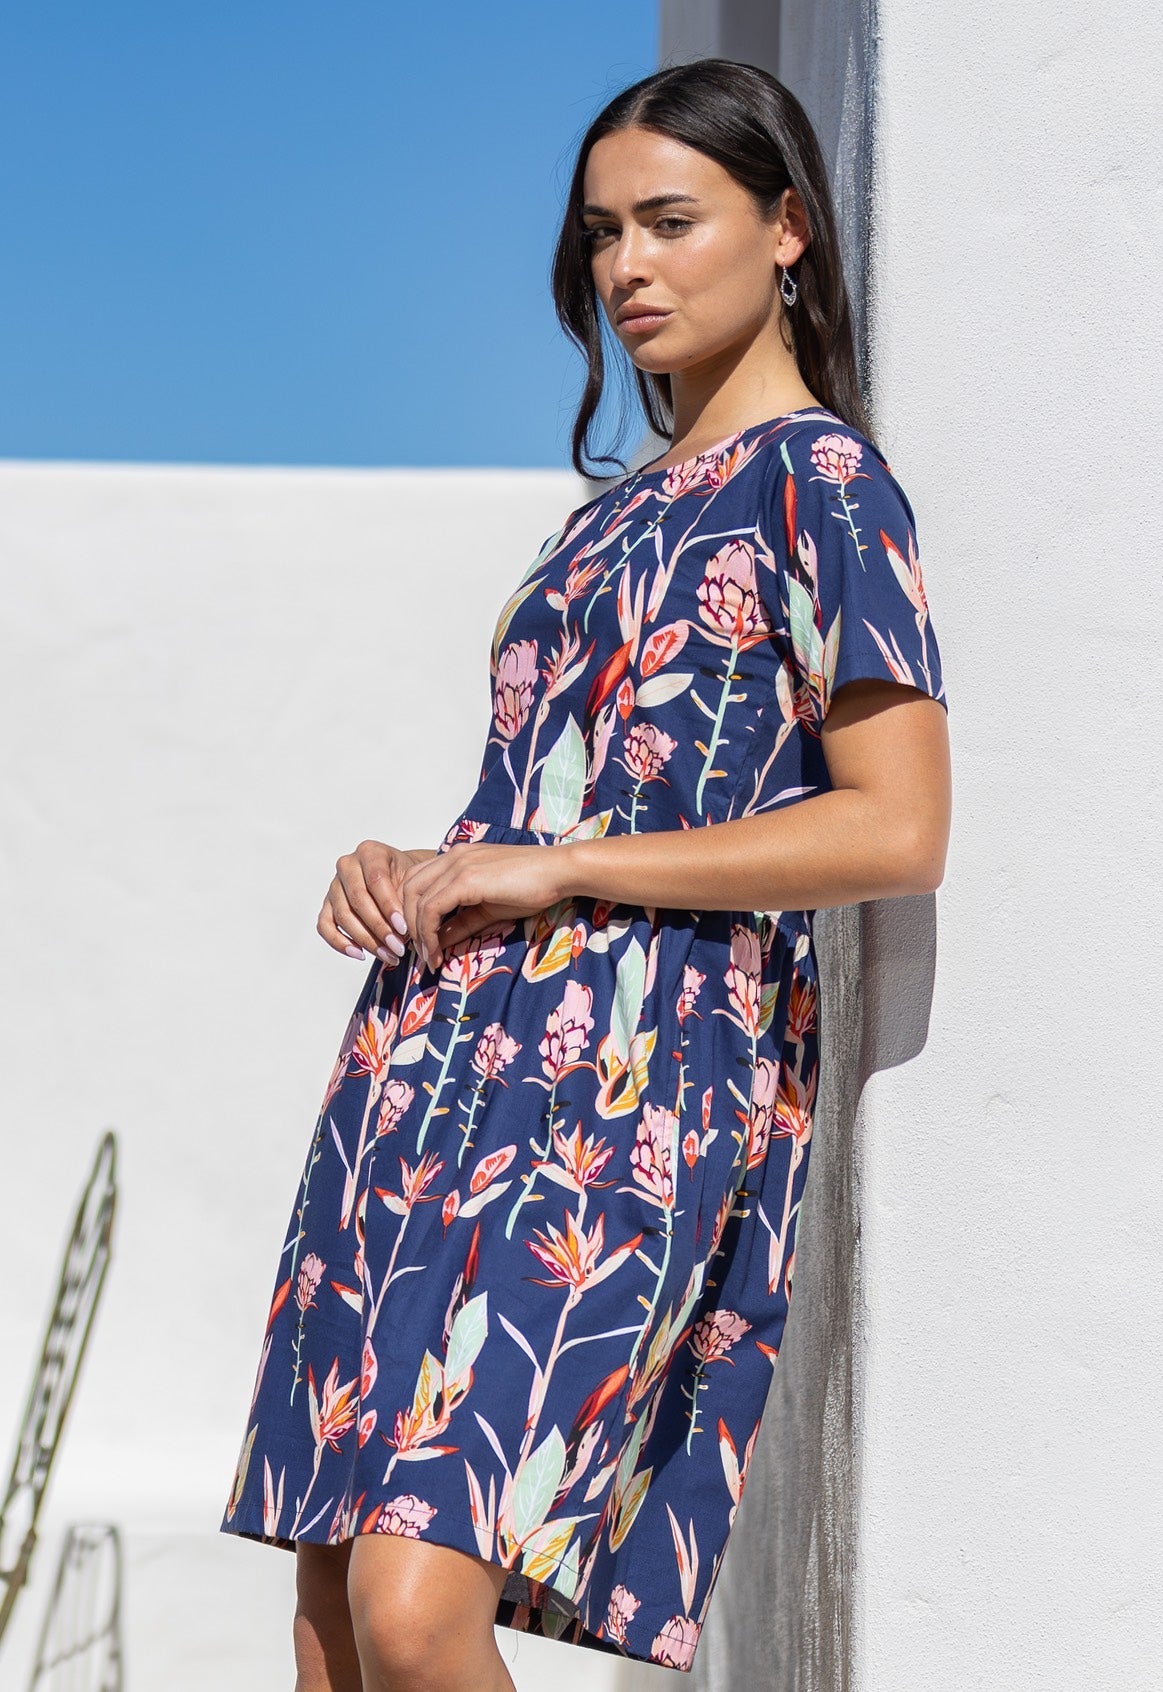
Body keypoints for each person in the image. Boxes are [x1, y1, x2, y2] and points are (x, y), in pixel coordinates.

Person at [221, 55, 951, 1691]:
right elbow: (545, 799)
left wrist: (562, 870)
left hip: (635, 1069)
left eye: (670, 222)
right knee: (332, 1613)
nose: (627, 267)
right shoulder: (596, 527)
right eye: (604, 233)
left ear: (787, 229)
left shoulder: (824, 483)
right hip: (433, 1060)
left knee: (418, 1611)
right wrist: (413, 868)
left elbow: (897, 826)